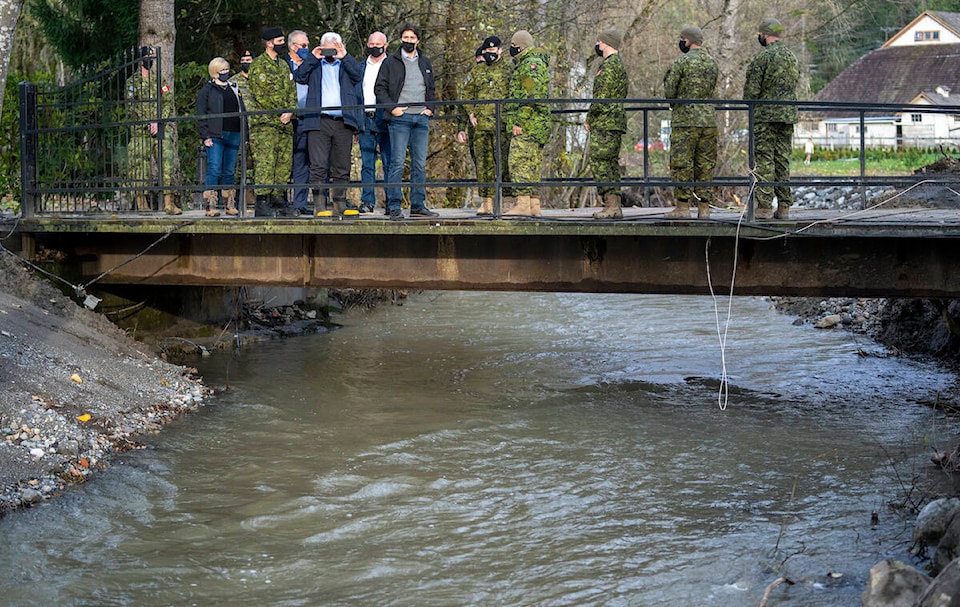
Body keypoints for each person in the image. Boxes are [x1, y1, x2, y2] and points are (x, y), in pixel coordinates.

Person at [293, 31, 363, 217]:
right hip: (318, 121)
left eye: (334, 47)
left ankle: (340, 203)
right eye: (327, 47)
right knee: (318, 165)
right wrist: (313, 58)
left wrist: (345, 56)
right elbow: (299, 76)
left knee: (342, 165)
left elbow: (359, 76)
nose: (330, 51)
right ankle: (320, 205)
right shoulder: (314, 65)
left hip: (343, 121)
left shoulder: (346, 65)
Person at [374, 23, 440, 220]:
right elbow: (380, 88)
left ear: (418, 40)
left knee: (419, 164)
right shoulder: (390, 62)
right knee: (397, 162)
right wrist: (392, 108)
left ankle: (418, 205)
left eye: (412, 38)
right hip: (400, 118)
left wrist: (430, 108)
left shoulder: (425, 63)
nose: (409, 41)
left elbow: (431, 88)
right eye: (406, 37)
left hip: (421, 118)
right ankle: (394, 205)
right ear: (400, 39)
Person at [743, 17, 800, 220]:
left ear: (765, 34)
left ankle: (765, 207)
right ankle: (784, 207)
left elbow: (751, 93)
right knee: (782, 159)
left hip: (765, 117)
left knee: (764, 159)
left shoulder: (763, 58)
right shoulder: (792, 57)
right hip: (787, 116)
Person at [663, 25, 718, 219]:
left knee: (682, 163)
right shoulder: (712, 63)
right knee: (705, 164)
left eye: (681, 38)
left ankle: (683, 208)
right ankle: (704, 209)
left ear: (687, 40)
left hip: (685, 120)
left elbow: (670, 92)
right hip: (709, 120)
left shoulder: (681, 62)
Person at [458, 35, 512, 216]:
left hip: (502, 126)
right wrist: (471, 112)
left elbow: (520, 92)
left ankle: (505, 202)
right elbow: (466, 93)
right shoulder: (476, 71)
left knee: (504, 165)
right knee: (483, 166)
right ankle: (486, 203)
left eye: (493, 51)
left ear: (500, 50)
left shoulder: (509, 69)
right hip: (480, 127)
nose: (490, 54)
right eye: (487, 51)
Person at [126, 45, 182, 215]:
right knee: (139, 166)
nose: (150, 60)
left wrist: (158, 121)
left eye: (152, 57)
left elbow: (168, 101)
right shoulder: (132, 82)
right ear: (140, 59)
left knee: (167, 163)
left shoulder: (160, 80)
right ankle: (142, 204)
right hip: (140, 131)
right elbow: (131, 106)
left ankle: (169, 203)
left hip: (160, 129)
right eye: (147, 57)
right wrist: (148, 122)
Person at [249, 27, 297, 217]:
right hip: (266, 124)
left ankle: (278, 199)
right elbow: (261, 94)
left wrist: (290, 111)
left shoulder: (284, 65)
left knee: (283, 163)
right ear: (269, 43)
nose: (282, 44)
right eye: (279, 41)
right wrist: (280, 112)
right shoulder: (258, 65)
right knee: (265, 163)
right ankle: (262, 201)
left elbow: (292, 91)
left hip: (285, 124)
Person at [505, 30, 550, 216]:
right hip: (537, 123)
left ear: (520, 46)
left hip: (529, 123)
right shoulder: (530, 63)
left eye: (513, 45)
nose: (512, 49)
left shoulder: (529, 65)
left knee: (519, 161)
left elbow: (531, 96)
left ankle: (523, 204)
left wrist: (519, 122)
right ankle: (534, 205)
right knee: (532, 164)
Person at [586, 29, 629, 219]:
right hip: (612, 121)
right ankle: (613, 206)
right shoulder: (616, 65)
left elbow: (601, 98)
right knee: (609, 162)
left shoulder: (609, 66)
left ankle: (611, 205)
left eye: (599, 41)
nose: (597, 45)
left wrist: (590, 118)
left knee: (601, 161)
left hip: (605, 121)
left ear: (606, 43)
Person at [196, 57, 246, 217]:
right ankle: (210, 205)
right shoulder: (207, 90)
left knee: (229, 170)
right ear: (215, 72)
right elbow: (201, 114)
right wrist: (205, 136)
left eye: (227, 69)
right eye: (222, 70)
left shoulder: (233, 87)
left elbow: (242, 110)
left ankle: (229, 204)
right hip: (215, 134)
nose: (226, 72)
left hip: (234, 133)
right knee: (214, 168)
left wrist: (245, 132)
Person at [356, 31, 391, 214]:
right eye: (372, 44)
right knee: (367, 164)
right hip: (365, 119)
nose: (375, 47)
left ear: (385, 45)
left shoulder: (393, 65)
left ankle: (391, 203)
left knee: (389, 163)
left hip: (385, 119)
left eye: (379, 44)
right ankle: (367, 201)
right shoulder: (361, 66)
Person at [286, 30, 312, 216]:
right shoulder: (281, 65)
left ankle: (300, 203)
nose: (307, 49)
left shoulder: (313, 64)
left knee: (305, 162)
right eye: (303, 46)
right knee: (285, 163)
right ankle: (278, 203)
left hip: (308, 119)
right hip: (286, 121)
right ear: (293, 46)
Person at [229, 50, 255, 208]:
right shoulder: (234, 81)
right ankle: (238, 198)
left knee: (256, 163)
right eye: (244, 59)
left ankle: (253, 195)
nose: (247, 62)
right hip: (241, 127)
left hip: (258, 127)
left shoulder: (260, 79)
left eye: (249, 59)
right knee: (240, 164)